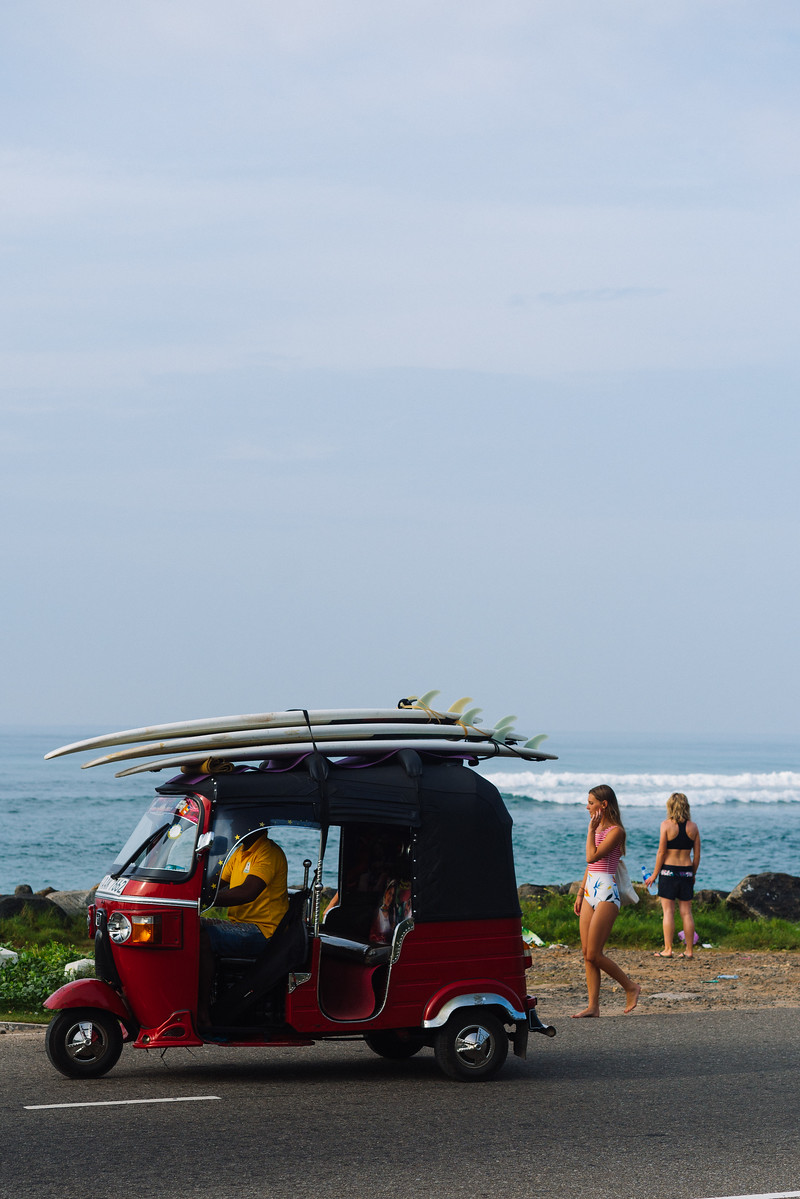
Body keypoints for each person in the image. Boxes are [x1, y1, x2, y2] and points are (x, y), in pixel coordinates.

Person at [198, 829, 289, 1026]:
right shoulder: (239, 853)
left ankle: (203, 1011)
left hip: (264, 931)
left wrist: (202, 899)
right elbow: (213, 884)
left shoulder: (268, 853)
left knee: (203, 938)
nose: (232, 827)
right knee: (189, 927)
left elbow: (247, 892)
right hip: (239, 925)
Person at [572, 784, 641, 1018]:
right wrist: (581, 893)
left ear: (604, 805)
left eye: (591, 803)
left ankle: (631, 987)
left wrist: (590, 831)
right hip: (591, 888)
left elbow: (591, 855)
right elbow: (590, 865)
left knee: (594, 954)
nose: (587, 806)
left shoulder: (615, 831)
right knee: (585, 952)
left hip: (607, 893)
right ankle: (593, 1006)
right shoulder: (598, 828)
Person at [645, 792, 701, 959]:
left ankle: (668, 949)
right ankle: (689, 951)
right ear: (686, 807)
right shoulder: (693, 827)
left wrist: (654, 874)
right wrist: (693, 873)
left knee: (668, 912)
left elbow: (661, 852)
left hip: (668, 872)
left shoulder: (666, 825)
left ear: (670, 807)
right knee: (686, 912)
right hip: (686, 871)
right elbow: (696, 856)